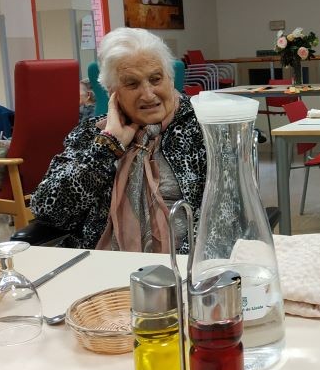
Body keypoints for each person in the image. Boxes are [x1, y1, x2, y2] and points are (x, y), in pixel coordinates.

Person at [31, 28, 206, 251]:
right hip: (99, 262)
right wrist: (108, 146)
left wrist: (181, 263)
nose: (148, 94)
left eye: (156, 79)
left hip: (182, 265)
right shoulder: (92, 134)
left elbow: (222, 215)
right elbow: (47, 210)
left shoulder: (202, 126)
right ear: (112, 92)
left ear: (170, 79)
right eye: (132, 84)